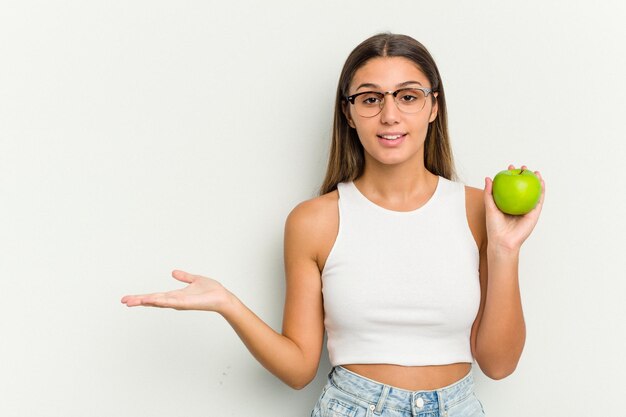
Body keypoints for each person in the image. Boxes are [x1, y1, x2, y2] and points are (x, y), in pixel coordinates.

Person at [121, 33, 545, 417]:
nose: (390, 115)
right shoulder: (314, 220)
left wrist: (504, 251)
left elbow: (499, 363)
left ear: (434, 106)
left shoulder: (478, 210)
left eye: (408, 97)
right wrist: (227, 303)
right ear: (349, 113)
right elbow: (299, 368)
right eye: (370, 98)